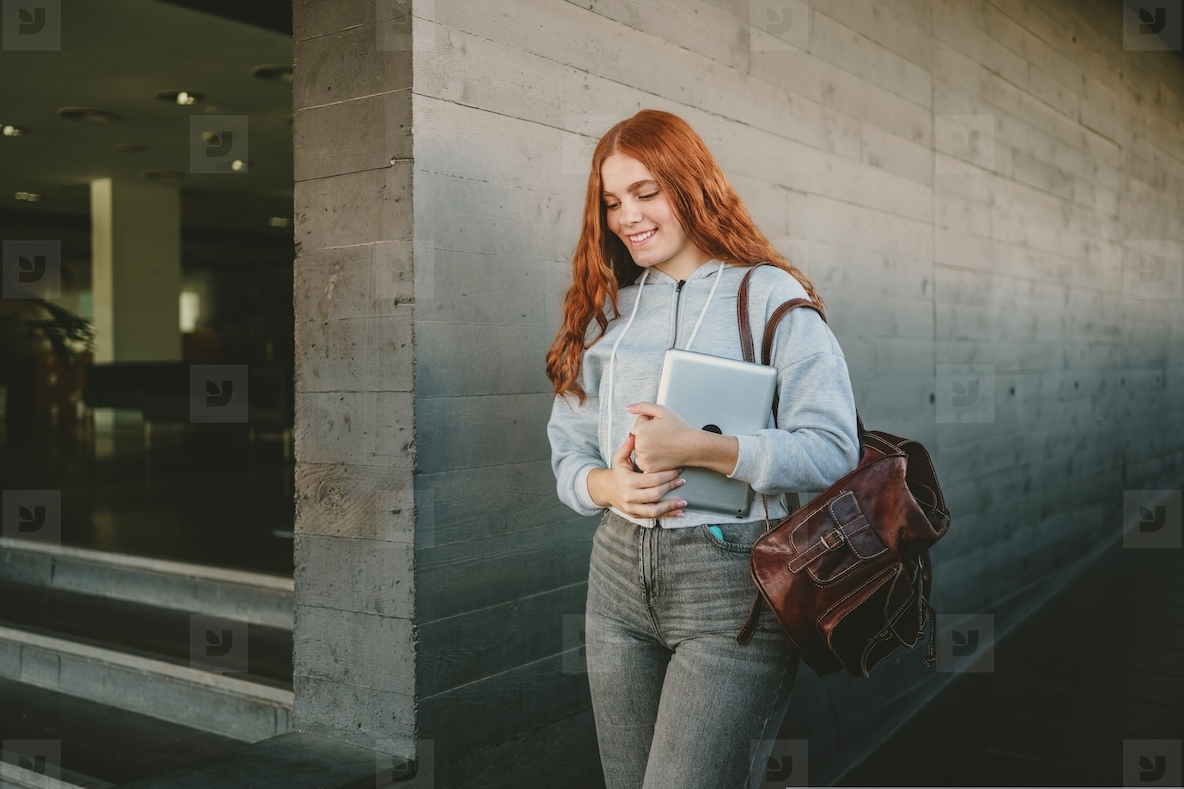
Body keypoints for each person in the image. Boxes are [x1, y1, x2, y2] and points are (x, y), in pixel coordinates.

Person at [545, 109, 860, 789]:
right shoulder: (611, 313)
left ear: (691, 186)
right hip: (617, 582)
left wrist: (703, 448)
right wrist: (608, 488)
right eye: (612, 200)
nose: (627, 215)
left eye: (646, 191)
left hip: (732, 587)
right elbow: (567, 449)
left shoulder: (771, 295)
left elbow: (834, 447)